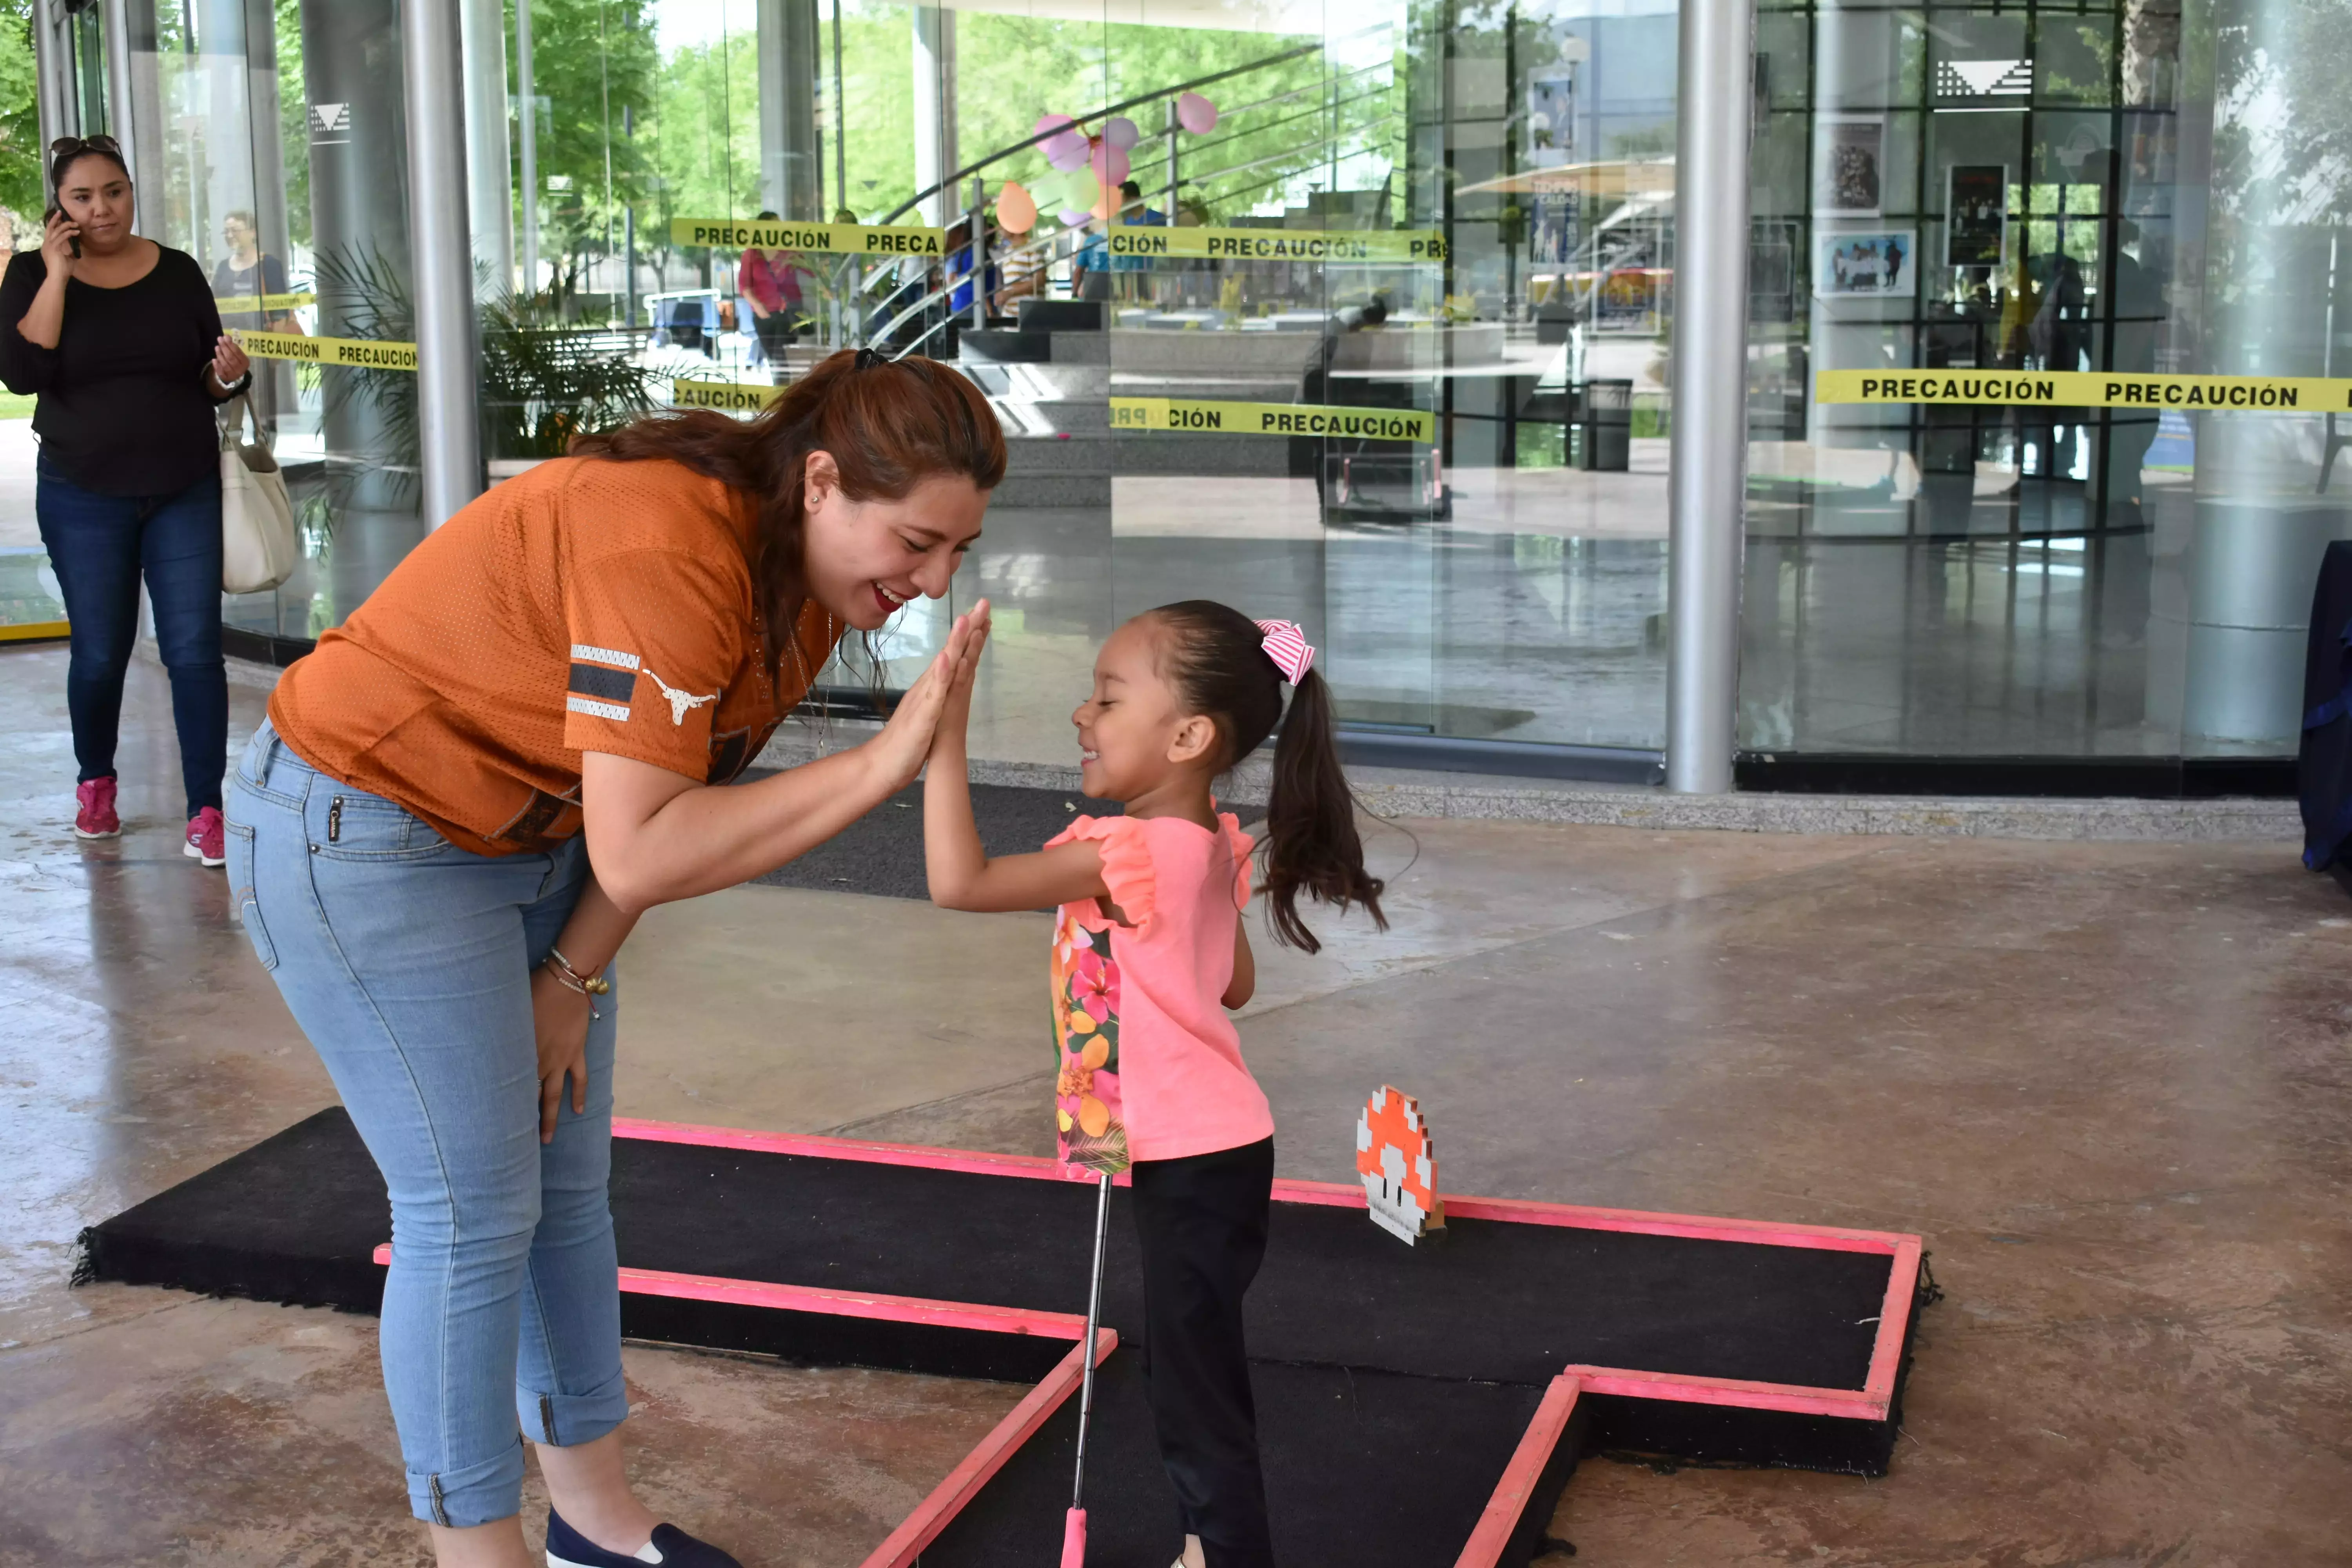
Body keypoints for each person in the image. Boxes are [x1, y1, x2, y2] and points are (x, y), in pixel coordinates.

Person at [225, 349, 1004, 1568]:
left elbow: (656, 825)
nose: (932, 578)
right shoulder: (665, 548)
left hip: (537, 847)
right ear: (818, 482)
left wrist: (570, 979)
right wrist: (875, 765)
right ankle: (473, 1550)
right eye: (916, 541)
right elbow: (645, 847)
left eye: (957, 551)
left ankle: (593, 1526)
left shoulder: (802, 584)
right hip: (368, 824)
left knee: (563, 1192)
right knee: (468, 1214)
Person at [922, 599, 1387, 1568]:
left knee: (1193, 1382)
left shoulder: (1138, 852)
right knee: (1193, 1365)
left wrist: (943, 732)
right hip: (1211, 1147)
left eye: (1106, 696)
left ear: (1188, 735)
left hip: (1190, 1152)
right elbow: (1230, 983)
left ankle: (1225, 1553)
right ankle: (1206, 1545)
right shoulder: (1203, 843)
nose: (1082, 715)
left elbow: (957, 881)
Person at [0, 133, 254, 864]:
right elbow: (22, 373)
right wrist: (56, 272)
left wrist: (230, 375)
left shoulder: (175, 272)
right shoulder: (29, 273)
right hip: (83, 493)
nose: (103, 207)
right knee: (102, 654)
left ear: (132, 190)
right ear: (60, 206)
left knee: (195, 653)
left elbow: (210, 380)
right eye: (83, 196)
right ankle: (96, 783)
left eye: (115, 190)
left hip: (184, 487)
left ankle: (207, 808)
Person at [212, 208, 300, 432]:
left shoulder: (268, 264)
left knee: (263, 404)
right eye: (227, 232)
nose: (230, 235)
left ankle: (265, 453)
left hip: (261, 345)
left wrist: (275, 351)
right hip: (232, 346)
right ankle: (236, 455)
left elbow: (280, 309)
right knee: (233, 404)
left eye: (236, 230)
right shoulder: (223, 267)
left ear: (252, 233)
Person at [736, 209, 802, 368]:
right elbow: (745, 285)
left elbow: (811, 270)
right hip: (764, 315)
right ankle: (781, 389)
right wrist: (757, 305)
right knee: (774, 359)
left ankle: (784, 389)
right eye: (775, 224)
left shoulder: (788, 252)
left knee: (782, 357)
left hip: (788, 312)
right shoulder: (752, 254)